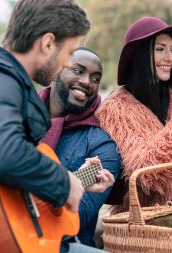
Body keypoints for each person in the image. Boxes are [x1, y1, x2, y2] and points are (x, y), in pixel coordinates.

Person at [0, 1, 108, 252]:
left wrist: (77, 180)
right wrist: (63, 182)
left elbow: (6, 179)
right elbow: (3, 153)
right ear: (47, 43)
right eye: (69, 53)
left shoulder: (8, 82)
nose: (68, 63)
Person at [95, 17, 172, 214]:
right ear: (140, 54)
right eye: (160, 49)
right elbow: (147, 174)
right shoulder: (116, 108)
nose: (170, 57)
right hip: (149, 223)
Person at [38, 47, 121, 247]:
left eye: (95, 79)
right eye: (78, 71)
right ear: (56, 71)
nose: (86, 81)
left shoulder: (102, 147)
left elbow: (73, 222)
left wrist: (77, 181)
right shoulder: (18, 122)